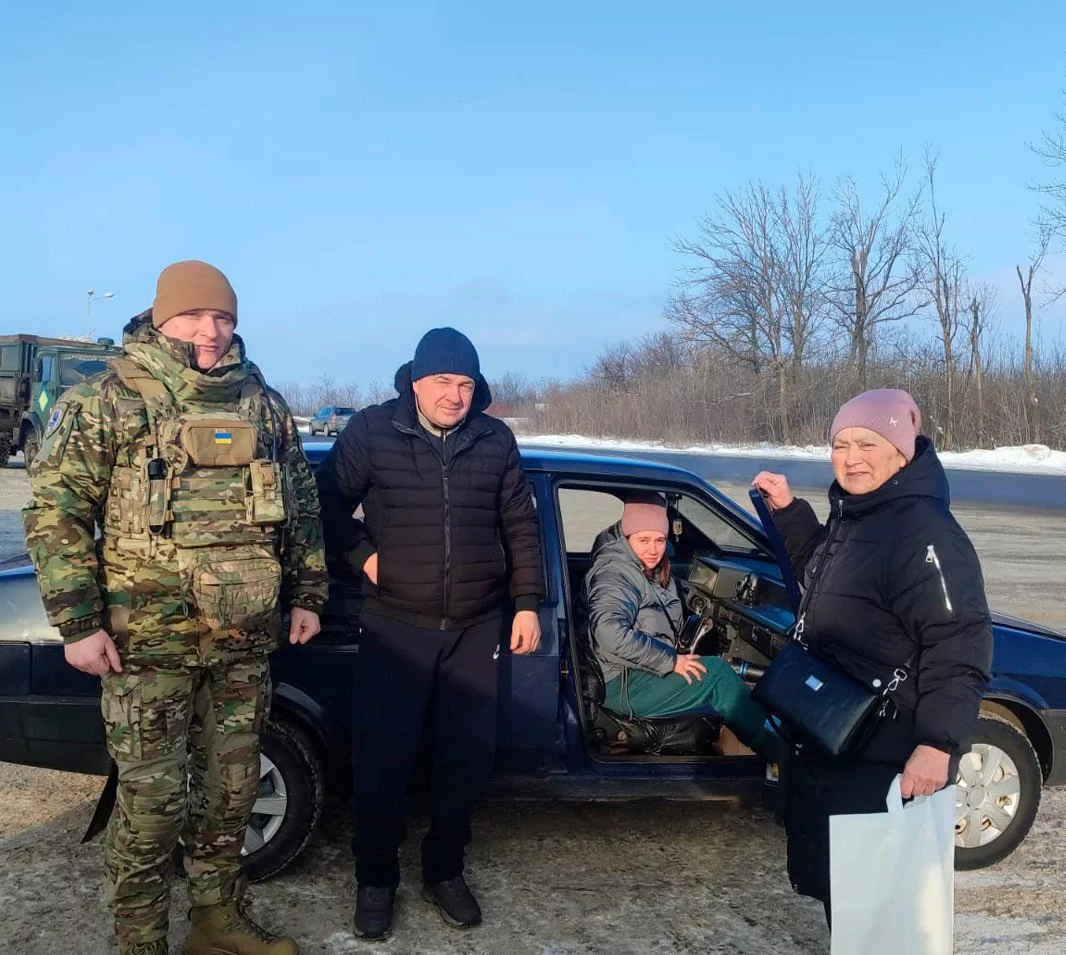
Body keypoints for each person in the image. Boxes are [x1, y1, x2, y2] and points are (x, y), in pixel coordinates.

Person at [23, 261, 328, 955]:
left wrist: (308, 593)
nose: (211, 331)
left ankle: (217, 920)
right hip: (144, 646)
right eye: (194, 316)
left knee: (230, 792)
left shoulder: (263, 402)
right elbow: (56, 513)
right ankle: (141, 940)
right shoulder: (108, 399)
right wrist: (79, 623)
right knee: (151, 807)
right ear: (162, 318)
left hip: (242, 641)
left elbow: (301, 506)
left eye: (223, 317)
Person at [315, 326, 545, 941]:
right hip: (397, 625)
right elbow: (326, 502)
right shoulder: (373, 430)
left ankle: (444, 869)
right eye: (443, 382)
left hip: (475, 625)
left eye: (466, 384)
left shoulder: (495, 439)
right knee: (383, 759)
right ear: (416, 381)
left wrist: (526, 602)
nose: (455, 395)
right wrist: (362, 554)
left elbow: (520, 524)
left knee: (464, 759)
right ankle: (375, 878)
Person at [752, 388, 992, 925]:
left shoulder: (926, 533)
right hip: (837, 741)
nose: (851, 457)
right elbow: (826, 575)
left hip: (886, 751)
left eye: (866, 443)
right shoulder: (856, 514)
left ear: (901, 453)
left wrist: (937, 743)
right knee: (849, 898)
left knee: (881, 912)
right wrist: (790, 513)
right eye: (840, 444)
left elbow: (959, 643)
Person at [585, 492, 785, 760]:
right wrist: (671, 661)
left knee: (713, 668)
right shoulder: (615, 573)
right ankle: (781, 754)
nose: (653, 549)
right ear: (627, 535)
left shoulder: (646, 567)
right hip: (621, 683)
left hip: (635, 672)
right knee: (717, 675)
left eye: (659, 540)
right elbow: (608, 632)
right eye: (643, 540)